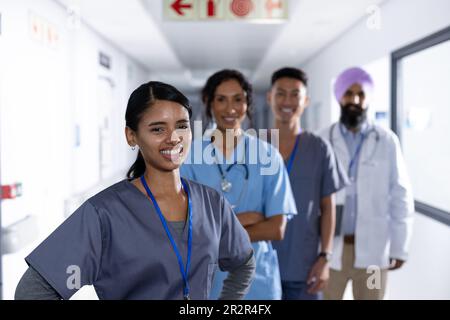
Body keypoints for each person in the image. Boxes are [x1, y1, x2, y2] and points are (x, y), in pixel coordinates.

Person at [15, 81, 255, 300]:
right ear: (132, 136)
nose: (174, 138)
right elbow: (33, 291)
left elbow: (243, 262)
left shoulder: (212, 203)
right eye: (158, 129)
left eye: (181, 126)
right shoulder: (104, 214)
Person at [181, 69, 297, 300]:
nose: (230, 108)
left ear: (247, 103)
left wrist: (218, 228)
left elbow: (276, 228)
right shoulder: (189, 156)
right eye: (221, 99)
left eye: (238, 99)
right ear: (209, 102)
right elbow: (186, 226)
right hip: (208, 282)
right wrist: (249, 219)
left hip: (258, 282)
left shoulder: (268, 156)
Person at [320, 67, 414, 300]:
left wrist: (400, 246)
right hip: (331, 251)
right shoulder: (322, 138)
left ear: (368, 98)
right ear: (339, 96)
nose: (354, 100)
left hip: (374, 253)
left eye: (361, 94)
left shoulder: (386, 140)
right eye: (348, 93)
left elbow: (400, 194)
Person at [268, 67, 347, 300]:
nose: (287, 101)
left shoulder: (320, 148)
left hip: (305, 269)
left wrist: (325, 257)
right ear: (270, 97)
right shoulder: (254, 148)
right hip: (260, 267)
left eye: (295, 94)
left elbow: (328, 207)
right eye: (281, 93)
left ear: (306, 101)